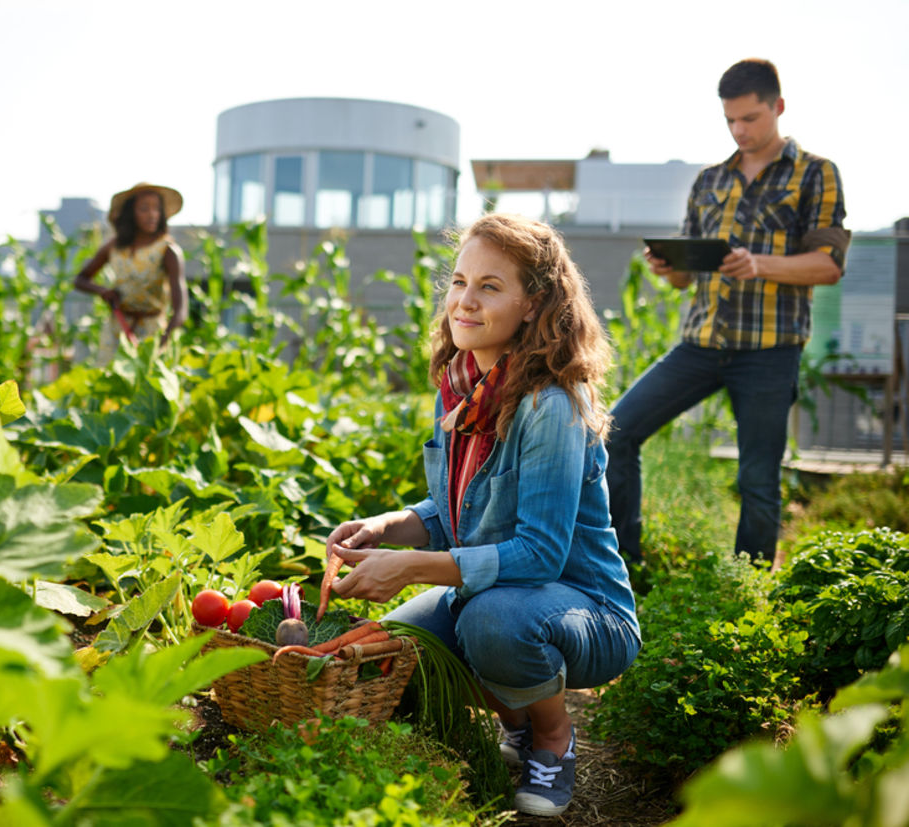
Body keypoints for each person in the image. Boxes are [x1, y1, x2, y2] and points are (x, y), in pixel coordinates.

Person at [325, 213, 641, 817]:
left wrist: (411, 568)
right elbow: (458, 510)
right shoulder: (464, 387)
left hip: (584, 608)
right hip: (499, 592)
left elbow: (540, 555)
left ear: (534, 304)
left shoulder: (550, 405)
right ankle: (516, 713)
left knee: (491, 623)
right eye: (459, 282)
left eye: (490, 287)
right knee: (398, 652)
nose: (465, 302)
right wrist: (390, 528)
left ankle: (551, 736)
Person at [605, 58, 849, 566]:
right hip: (701, 344)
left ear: (778, 107)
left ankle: (749, 587)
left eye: (751, 118)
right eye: (730, 121)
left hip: (769, 352)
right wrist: (668, 267)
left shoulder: (816, 174)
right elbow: (685, 277)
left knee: (757, 479)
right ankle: (623, 566)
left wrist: (758, 264)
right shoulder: (709, 181)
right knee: (614, 432)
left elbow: (827, 265)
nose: (740, 130)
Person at [73, 182, 188, 362]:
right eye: (144, 209)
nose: (152, 215)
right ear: (130, 214)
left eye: (156, 209)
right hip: (117, 327)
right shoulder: (114, 247)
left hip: (152, 332)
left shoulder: (168, 251)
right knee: (109, 382)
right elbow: (80, 279)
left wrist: (162, 342)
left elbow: (180, 310)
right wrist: (103, 292)